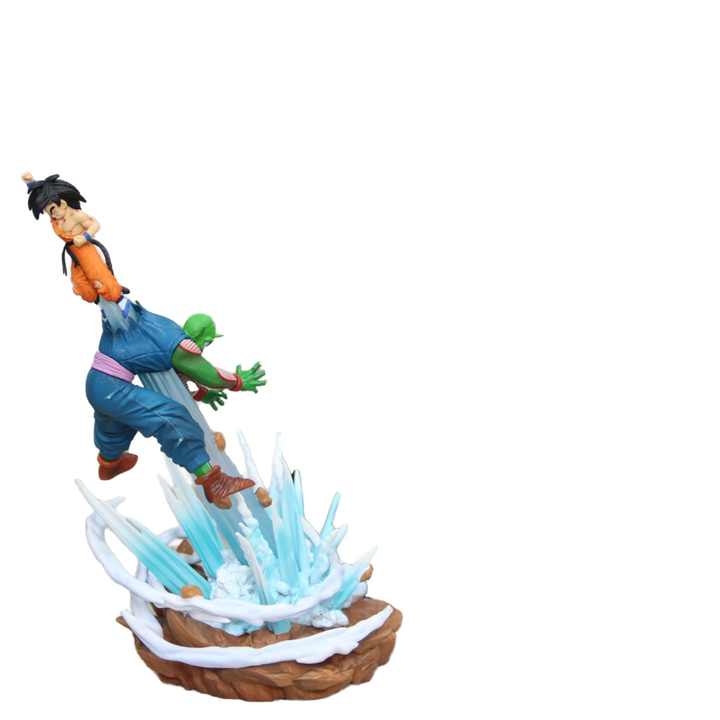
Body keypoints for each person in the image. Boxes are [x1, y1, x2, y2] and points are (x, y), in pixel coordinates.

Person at [87, 300, 267, 509]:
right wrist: (239, 381)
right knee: (173, 419)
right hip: (112, 388)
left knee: (115, 424)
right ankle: (214, 482)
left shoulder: (149, 327)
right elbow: (210, 375)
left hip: (96, 383)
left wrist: (203, 394)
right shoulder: (178, 347)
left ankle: (110, 463)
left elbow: (183, 382)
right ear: (205, 340)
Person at [23, 172, 124, 303]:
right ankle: (99, 301)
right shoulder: (58, 217)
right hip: (75, 255)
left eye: (52, 210)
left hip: (86, 252)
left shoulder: (76, 215)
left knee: (100, 277)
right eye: (48, 213)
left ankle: (117, 299)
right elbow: (42, 194)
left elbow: (95, 224)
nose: (52, 215)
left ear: (63, 204)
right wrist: (30, 182)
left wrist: (85, 237)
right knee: (80, 283)